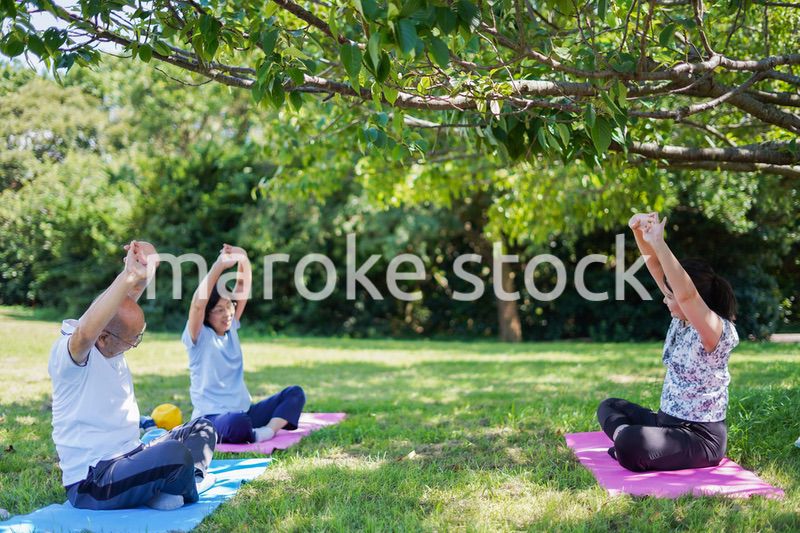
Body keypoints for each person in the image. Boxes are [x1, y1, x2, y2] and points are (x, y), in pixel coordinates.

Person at [49, 241, 216, 511]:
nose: (133, 344)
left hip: (131, 455)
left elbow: (123, 304)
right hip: (94, 481)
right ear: (103, 337)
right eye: (132, 340)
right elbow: (87, 329)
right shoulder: (73, 355)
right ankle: (172, 485)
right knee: (174, 454)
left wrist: (145, 267)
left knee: (202, 428)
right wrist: (127, 275)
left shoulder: (111, 340)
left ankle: (178, 482)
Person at [596, 212, 739, 472]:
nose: (665, 299)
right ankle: (632, 444)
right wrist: (639, 231)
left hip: (700, 438)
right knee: (609, 406)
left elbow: (685, 294)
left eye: (670, 295)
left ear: (695, 302)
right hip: (666, 424)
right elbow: (657, 269)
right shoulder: (681, 319)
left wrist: (660, 242)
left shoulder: (714, 331)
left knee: (630, 440)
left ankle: (628, 444)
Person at [182, 244, 305, 444]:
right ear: (207, 313)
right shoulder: (198, 336)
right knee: (238, 422)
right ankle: (251, 432)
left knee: (294, 393)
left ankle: (267, 431)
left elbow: (242, 287)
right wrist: (219, 266)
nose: (228, 313)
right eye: (219, 310)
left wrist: (243, 259)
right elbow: (198, 304)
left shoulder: (231, 328)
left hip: (245, 411)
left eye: (229, 305)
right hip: (212, 418)